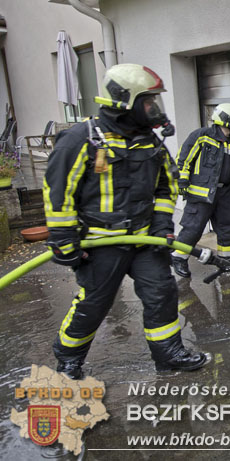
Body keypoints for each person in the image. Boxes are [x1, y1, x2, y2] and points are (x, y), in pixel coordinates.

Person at [45, 63, 208, 379]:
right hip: (100, 242)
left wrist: (162, 225)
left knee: (162, 293)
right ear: (125, 102)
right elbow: (58, 192)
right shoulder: (81, 139)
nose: (154, 108)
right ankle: (69, 359)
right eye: (148, 102)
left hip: (144, 239)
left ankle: (169, 355)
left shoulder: (150, 142)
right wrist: (63, 238)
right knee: (95, 303)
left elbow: (167, 186)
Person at [171, 103, 230, 278]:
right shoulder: (202, 136)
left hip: (225, 196)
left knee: (227, 229)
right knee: (193, 229)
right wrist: (182, 181)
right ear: (227, 119)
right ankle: (179, 258)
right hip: (201, 194)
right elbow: (183, 159)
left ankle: (226, 262)